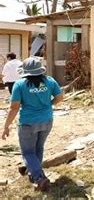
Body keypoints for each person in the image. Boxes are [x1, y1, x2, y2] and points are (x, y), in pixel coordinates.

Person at [1, 57, 63, 191]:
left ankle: (39, 178)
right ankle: (33, 171)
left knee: (28, 152)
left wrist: (6, 126)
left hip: (28, 123)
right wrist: (48, 105)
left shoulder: (19, 84)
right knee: (38, 148)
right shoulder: (49, 81)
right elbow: (59, 97)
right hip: (47, 121)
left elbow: (14, 107)